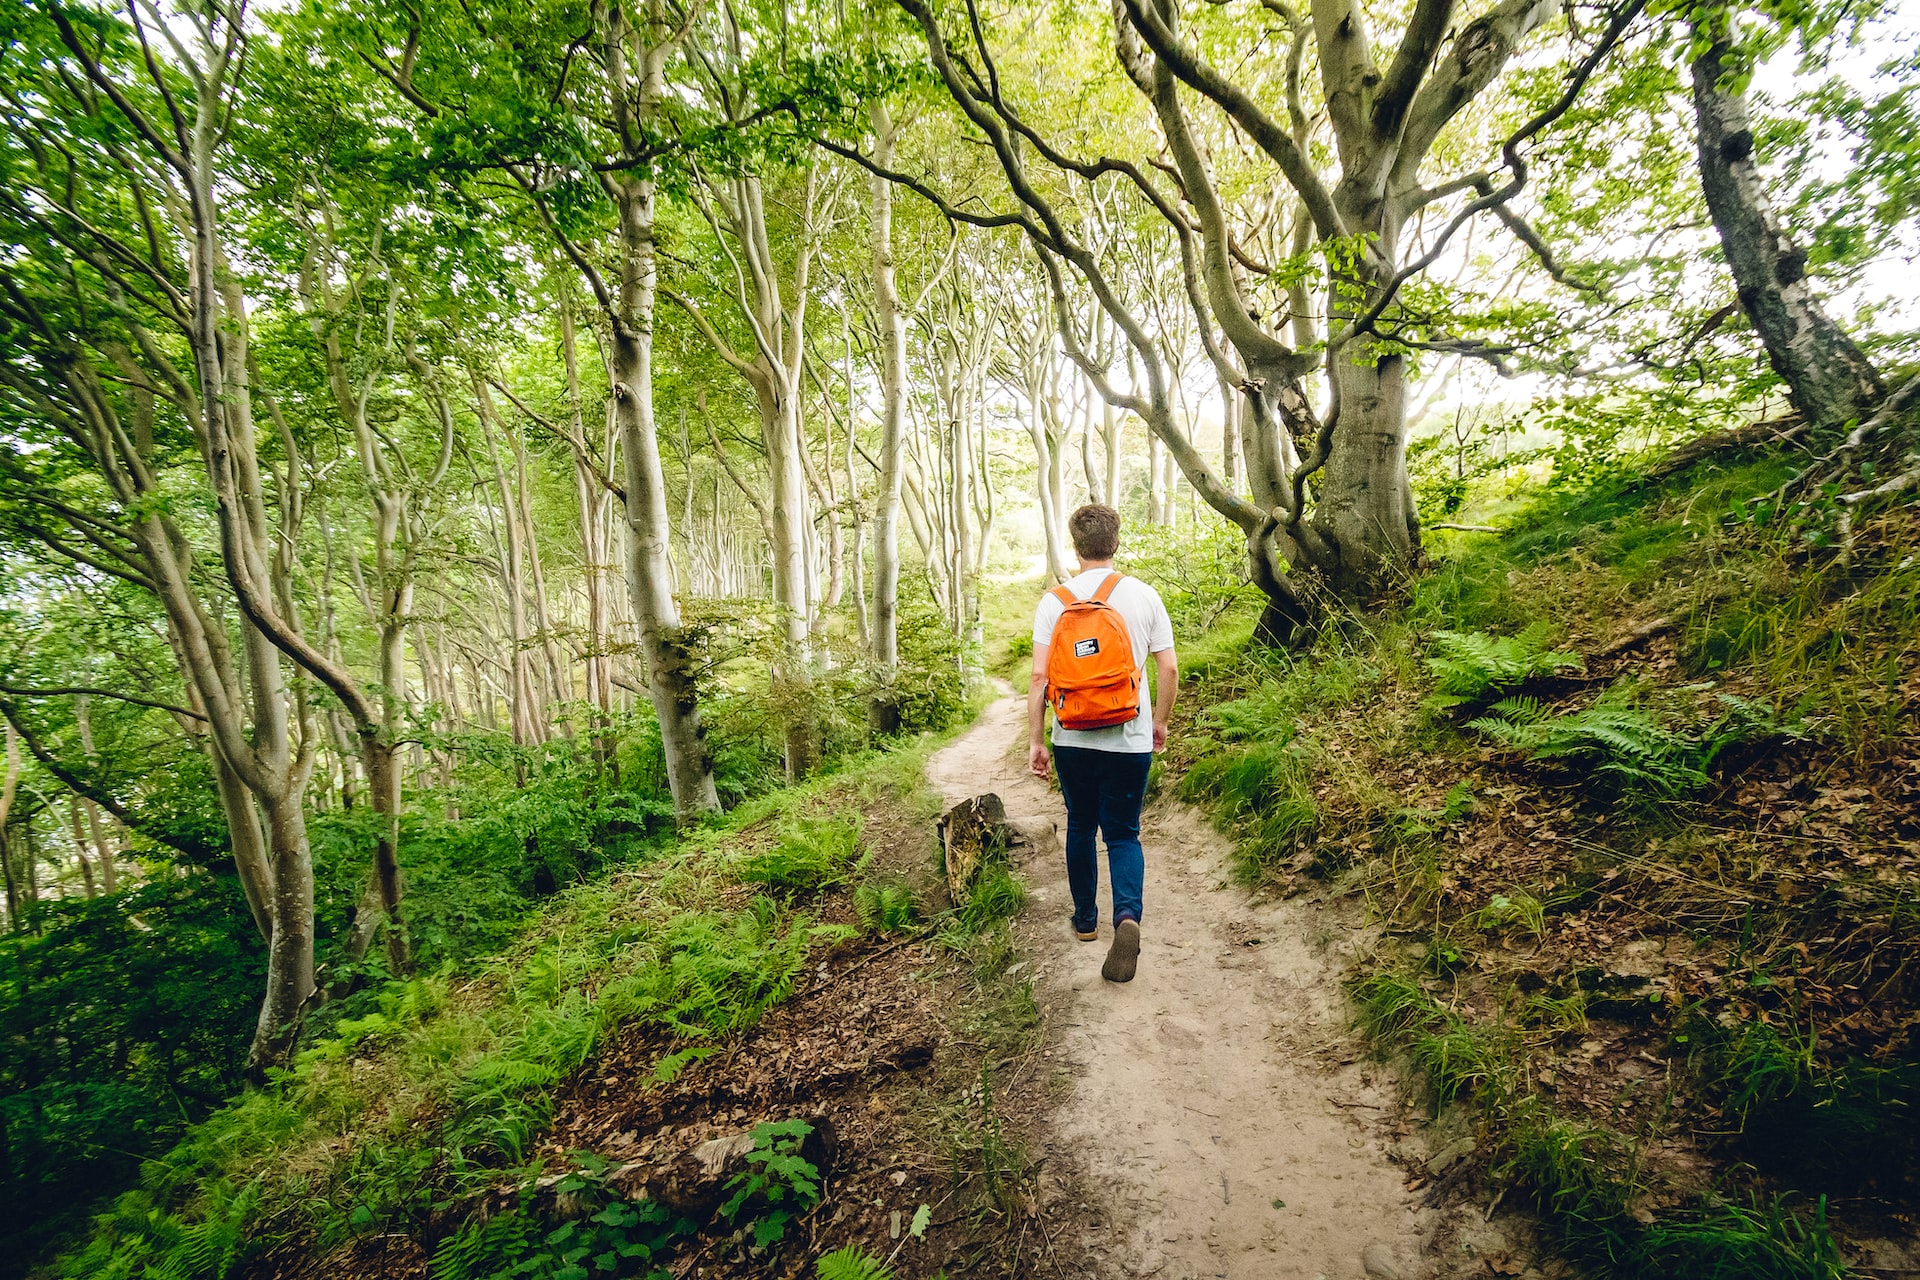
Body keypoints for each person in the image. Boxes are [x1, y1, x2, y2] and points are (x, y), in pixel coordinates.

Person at [1027, 503, 1177, 984]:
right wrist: (1160, 723)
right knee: (1123, 832)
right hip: (1129, 735)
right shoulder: (1145, 595)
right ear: (1115, 542)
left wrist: (1037, 741)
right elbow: (1169, 669)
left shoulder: (1055, 601)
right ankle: (1127, 918)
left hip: (1071, 736)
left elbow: (1037, 677)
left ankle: (1086, 922)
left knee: (1080, 827)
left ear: (1076, 546)